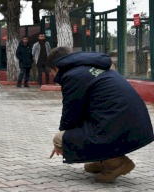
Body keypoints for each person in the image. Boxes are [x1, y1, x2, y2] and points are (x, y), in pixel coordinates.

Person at [47, 47, 154, 183]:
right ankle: (102, 159)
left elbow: (71, 112)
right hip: (137, 123)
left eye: (52, 71)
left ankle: (116, 163)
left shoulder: (72, 75)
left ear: (57, 66)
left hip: (118, 123)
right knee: (84, 127)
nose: (54, 76)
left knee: (59, 139)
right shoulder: (91, 67)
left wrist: (64, 140)